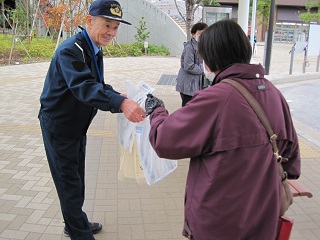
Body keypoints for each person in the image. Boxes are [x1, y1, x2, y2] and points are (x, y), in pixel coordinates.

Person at [145, 19, 301, 240]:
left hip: (219, 222)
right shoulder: (274, 94)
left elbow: (165, 140)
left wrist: (157, 110)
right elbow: (292, 163)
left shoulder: (215, 99)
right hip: (263, 220)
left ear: (210, 59)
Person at [38, 0, 146, 239]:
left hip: (77, 126)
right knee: (69, 183)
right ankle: (79, 232)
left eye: (116, 27)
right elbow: (84, 87)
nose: (111, 32)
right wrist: (120, 103)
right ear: (89, 21)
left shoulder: (92, 48)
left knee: (77, 178)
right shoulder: (71, 50)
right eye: (107, 25)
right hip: (59, 126)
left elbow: (96, 84)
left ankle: (75, 221)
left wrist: (120, 97)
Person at [176, 22, 208, 107]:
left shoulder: (203, 46)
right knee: (188, 108)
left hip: (197, 84)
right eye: (200, 34)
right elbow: (189, 66)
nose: (203, 36)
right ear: (193, 34)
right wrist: (204, 69)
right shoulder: (189, 48)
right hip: (188, 85)